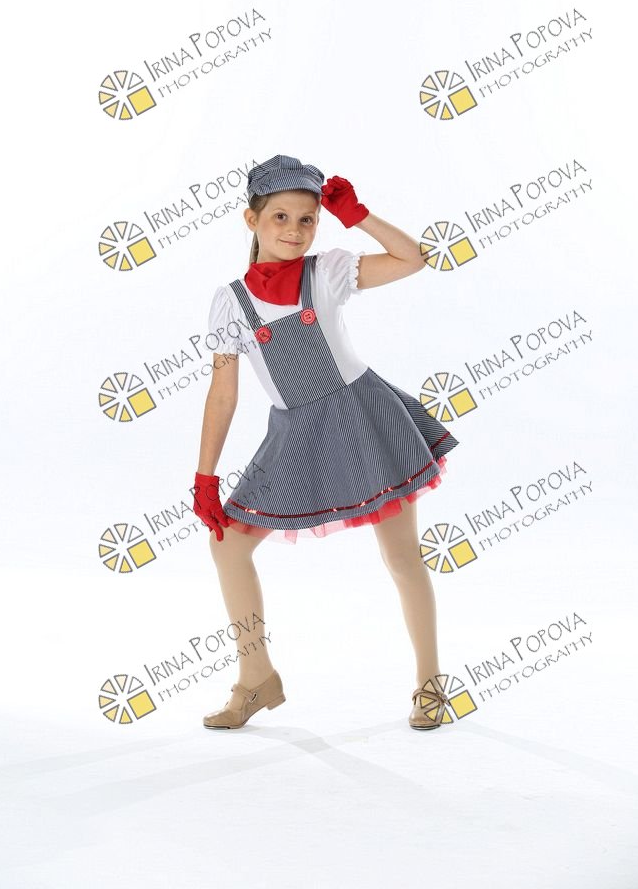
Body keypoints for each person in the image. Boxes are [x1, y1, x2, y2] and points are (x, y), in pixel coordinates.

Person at [193, 154, 459, 731]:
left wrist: (358, 216)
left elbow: (413, 258)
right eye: (280, 217)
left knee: (401, 555)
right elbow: (222, 394)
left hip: (364, 418)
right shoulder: (231, 302)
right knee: (229, 546)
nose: (294, 230)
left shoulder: (328, 272)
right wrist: (205, 475)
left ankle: (430, 683)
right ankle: (256, 677)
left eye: (307, 219)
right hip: (295, 431)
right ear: (251, 220)